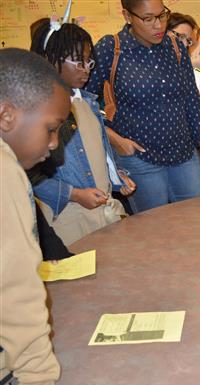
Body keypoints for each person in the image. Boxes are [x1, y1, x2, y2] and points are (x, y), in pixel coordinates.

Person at [86, 0, 200, 213]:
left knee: (194, 220)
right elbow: (82, 102)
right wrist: (114, 138)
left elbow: (191, 100)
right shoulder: (112, 48)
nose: (158, 25)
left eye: (162, 15)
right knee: (153, 228)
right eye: (148, 19)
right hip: (140, 159)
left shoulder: (175, 46)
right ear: (127, 16)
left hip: (184, 155)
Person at [0, 48, 71, 385]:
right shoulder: (5, 172)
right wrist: (37, 381)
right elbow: (16, 287)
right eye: (51, 129)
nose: (54, 144)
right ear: (7, 116)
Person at [30, 21, 137, 245]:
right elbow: (31, 178)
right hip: (68, 218)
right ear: (50, 58)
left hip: (101, 213)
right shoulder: (37, 111)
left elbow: (98, 155)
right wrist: (75, 194)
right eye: (78, 62)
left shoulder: (87, 102)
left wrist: (117, 177)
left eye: (89, 61)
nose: (86, 68)